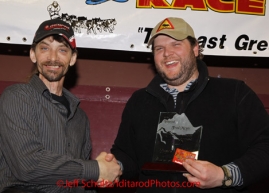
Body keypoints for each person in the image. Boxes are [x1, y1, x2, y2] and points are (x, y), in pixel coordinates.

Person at [110, 17, 269, 193]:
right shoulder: (139, 101)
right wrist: (115, 164)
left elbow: (265, 147)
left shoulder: (234, 93)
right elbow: (127, 154)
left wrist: (224, 175)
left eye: (176, 44)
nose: (167, 53)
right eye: (159, 48)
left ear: (195, 49)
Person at [0, 19, 121, 193]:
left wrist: (105, 173)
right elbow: (28, 165)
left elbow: (80, 183)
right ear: (32, 54)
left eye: (62, 50)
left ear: (72, 58)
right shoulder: (17, 97)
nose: (52, 57)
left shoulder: (79, 116)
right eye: (44, 48)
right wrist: (96, 169)